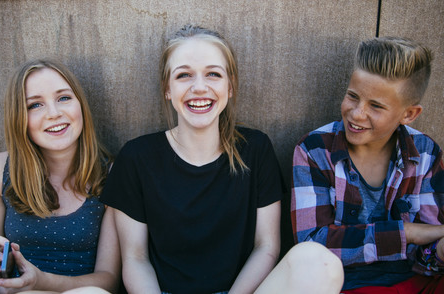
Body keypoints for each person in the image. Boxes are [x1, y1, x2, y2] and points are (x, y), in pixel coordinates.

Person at [98, 24, 343, 294]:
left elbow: (267, 247)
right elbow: (135, 259)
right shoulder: (136, 157)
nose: (199, 87)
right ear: (167, 88)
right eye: (184, 76)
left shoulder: (256, 149)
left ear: (230, 86)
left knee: (318, 262)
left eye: (213, 74)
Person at [291, 36, 444, 293]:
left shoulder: (426, 153)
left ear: (409, 114)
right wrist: (407, 232)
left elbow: (428, 251)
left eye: (375, 106)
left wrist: (437, 252)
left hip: (412, 282)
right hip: (343, 285)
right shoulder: (314, 150)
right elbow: (311, 248)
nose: (357, 113)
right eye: (352, 96)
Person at [0, 59, 120, 294]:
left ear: (81, 105)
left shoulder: (110, 174)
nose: (54, 113)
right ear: (19, 118)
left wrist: (40, 281)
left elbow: (109, 281)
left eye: (64, 98)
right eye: (35, 105)